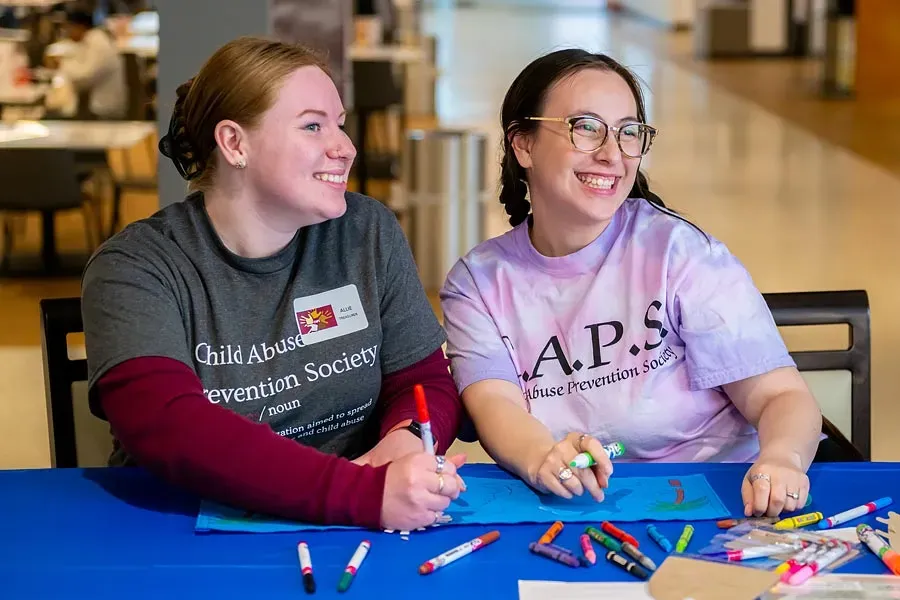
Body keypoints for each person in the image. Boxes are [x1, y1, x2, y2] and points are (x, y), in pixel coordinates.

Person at [81, 36, 465, 531]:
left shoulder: (365, 231)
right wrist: (361, 492)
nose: (345, 148)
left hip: (351, 525)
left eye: (341, 126)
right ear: (234, 143)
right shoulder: (135, 267)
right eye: (312, 126)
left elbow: (425, 381)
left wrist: (405, 441)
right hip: (187, 533)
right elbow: (170, 428)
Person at [439, 49, 823, 519]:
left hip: (720, 501)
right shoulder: (479, 283)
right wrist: (542, 455)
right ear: (523, 144)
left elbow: (781, 396)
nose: (611, 154)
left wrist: (781, 459)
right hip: (572, 507)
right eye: (585, 127)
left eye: (628, 132)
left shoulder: (677, 251)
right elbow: (495, 403)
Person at [53, 8, 127, 119]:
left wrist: (61, 64)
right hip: (97, 107)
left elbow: (85, 75)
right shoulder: (89, 40)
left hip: (105, 110)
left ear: (79, 27)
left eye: (68, 28)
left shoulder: (98, 42)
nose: (67, 32)